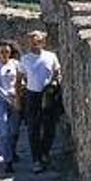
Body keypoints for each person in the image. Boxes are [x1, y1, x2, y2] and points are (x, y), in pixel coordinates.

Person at [19, 30, 61, 173]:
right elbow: (20, 79)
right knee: (33, 128)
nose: (33, 44)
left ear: (43, 42)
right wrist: (18, 98)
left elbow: (57, 73)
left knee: (50, 127)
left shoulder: (51, 56)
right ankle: (36, 159)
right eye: (30, 42)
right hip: (32, 96)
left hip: (48, 94)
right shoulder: (25, 59)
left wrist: (54, 83)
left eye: (36, 41)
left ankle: (45, 152)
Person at [0, 41, 21, 173]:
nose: (4, 54)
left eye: (7, 52)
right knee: (4, 131)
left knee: (14, 130)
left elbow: (20, 80)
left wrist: (18, 96)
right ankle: (7, 161)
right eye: (1, 52)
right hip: (1, 100)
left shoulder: (15, 64)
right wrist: (9, 98)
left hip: (16, 99)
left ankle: (12, 152)